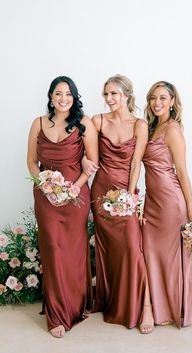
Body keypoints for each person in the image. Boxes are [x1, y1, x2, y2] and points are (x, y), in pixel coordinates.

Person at [27, 76, 98, 338]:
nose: (63, 98)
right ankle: (57, 314)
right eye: (58, 94)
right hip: (45, 196)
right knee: (53, 250)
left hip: (75, 196)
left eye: (68, 94)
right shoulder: (38, 123)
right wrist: (44, 184)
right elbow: (32, 162)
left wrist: (72, 189)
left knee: (75, 249)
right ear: (50, 96)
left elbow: (92, 162)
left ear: (74, 97)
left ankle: (78, 303)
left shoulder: (85, 123)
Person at [85, 74, 154, 332]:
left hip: (126, 191)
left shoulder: (140, 124)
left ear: (126, 95)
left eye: (114, 93)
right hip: (101, 191)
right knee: (108, 248)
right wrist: (83, 162)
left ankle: (144, 306)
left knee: (133, 248)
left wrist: (130, 194)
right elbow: (87, 153)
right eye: (106, 94)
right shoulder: (98, 120)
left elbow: (136, 163)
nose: (109, 99)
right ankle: (112, 300)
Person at [142, 81, 192, 329]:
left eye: (163, 98)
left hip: (170, 201)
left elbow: (182, 172)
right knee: (151, 254)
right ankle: (155, 308)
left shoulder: (172, 129)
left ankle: (173, 310)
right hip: (151, 201)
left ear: (173, 101)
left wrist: (191, 207)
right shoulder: (152, 127)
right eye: (153, 98)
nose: (157, 103)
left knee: (170, 256)